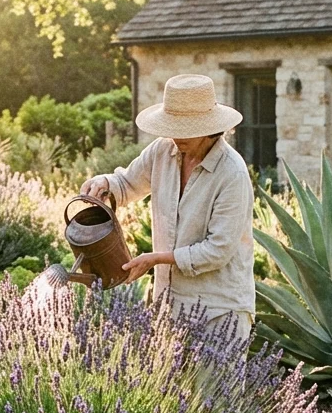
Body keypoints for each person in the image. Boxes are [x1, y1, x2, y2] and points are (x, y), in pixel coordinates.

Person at [81, 73, 255, 344]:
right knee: (172, 387)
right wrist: (104, 183)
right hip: (169, 306)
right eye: (172, 126)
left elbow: (218, 250)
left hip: (220, 311)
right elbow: (127, 183)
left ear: (210, 127)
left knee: (217, 388)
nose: (175, 136)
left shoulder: (231, 172)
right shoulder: (162, 151)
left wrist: (156, 259)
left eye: (185, 129)